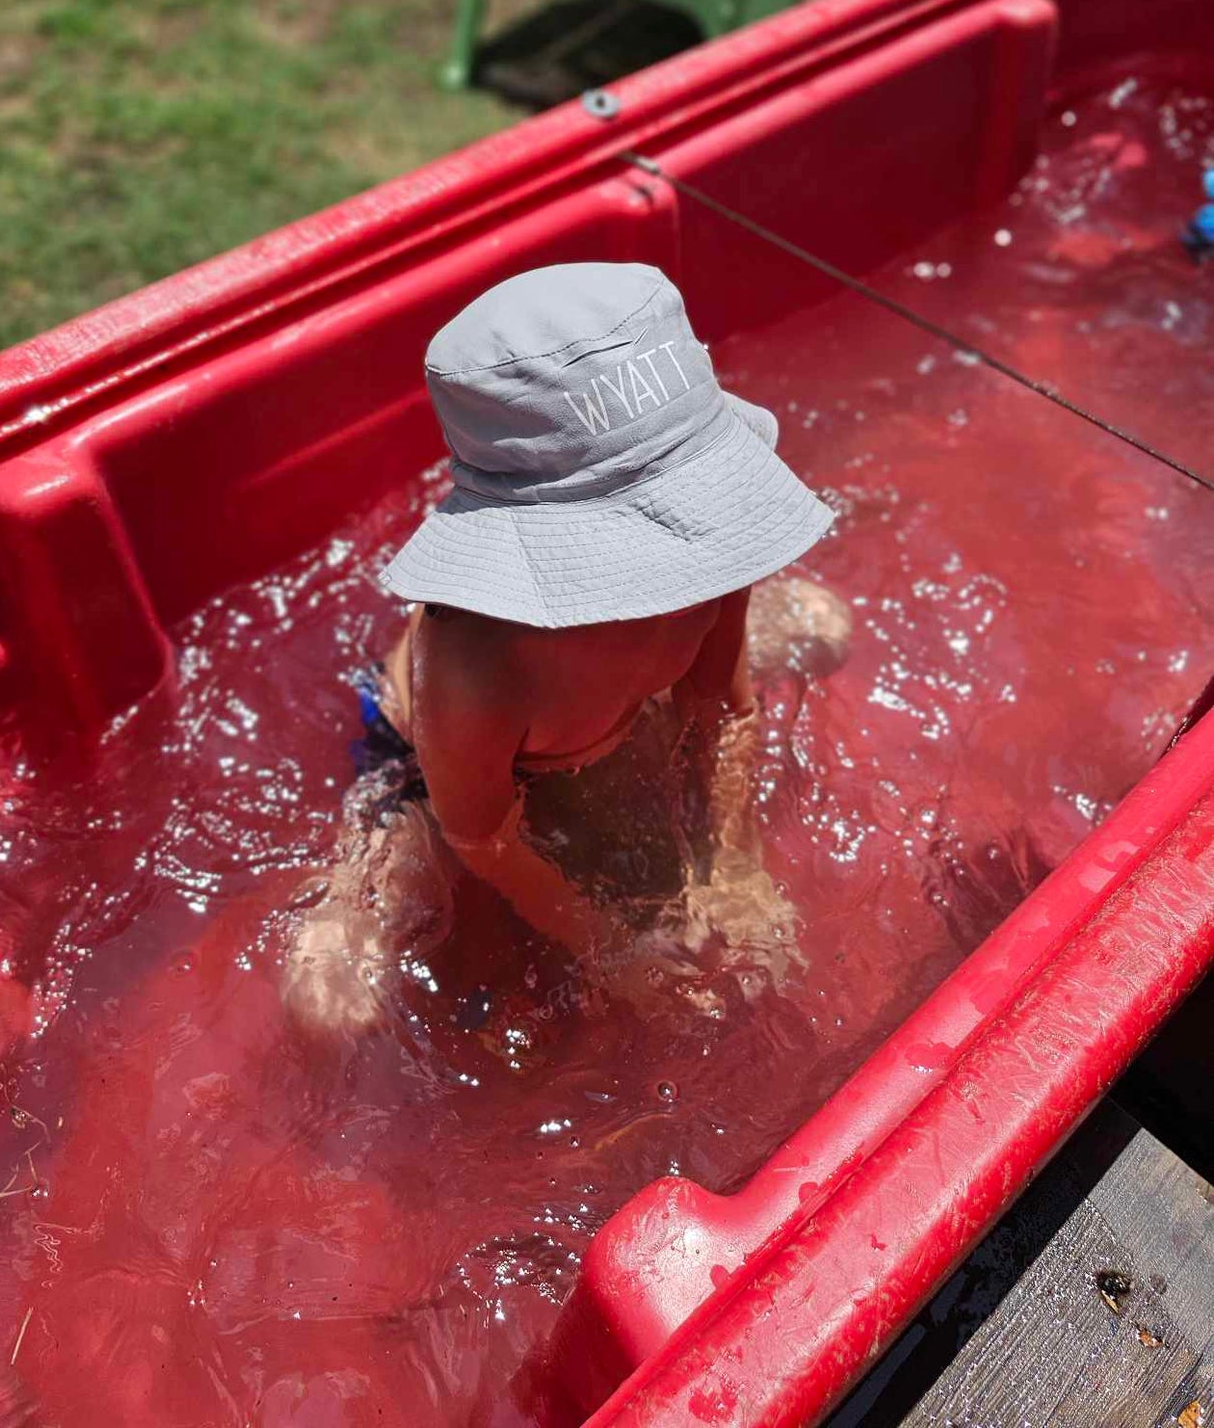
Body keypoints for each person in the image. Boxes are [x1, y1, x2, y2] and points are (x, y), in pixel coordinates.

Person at [283, 262, 848, 1034]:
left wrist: (735, 869)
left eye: (687, 511)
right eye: (656, 523)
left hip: (595, 720)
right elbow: (482, 835)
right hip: (432, 773)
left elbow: (718, 701)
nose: (686, 553)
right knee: (330, 1001)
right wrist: (605, 945)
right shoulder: (479, 666)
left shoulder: (714, 553)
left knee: (824, 624)